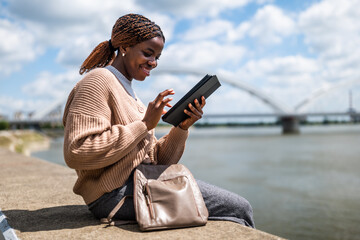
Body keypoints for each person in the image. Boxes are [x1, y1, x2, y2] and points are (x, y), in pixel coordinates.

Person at [63, 13, 255, 228]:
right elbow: (77, 152)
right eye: (148, 53)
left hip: (139, 184)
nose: (153, 63)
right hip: (113, 195)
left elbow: (160, 161)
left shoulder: (130, 93)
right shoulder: (98, 81)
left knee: (236, 211)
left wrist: (181, 128)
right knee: (240, 208)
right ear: (124, 47)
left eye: (157, 57)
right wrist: (144, 125)